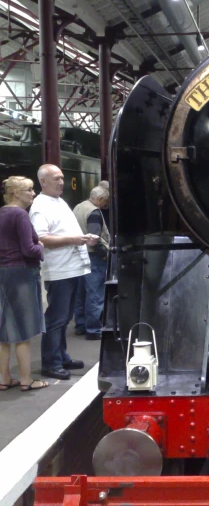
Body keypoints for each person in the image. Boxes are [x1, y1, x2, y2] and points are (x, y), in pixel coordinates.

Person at [29, 164, 95, 380]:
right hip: (59, 270)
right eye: (56, 178)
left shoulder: (58, 201)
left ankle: (61, 356)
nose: (61, 182)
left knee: (65, 318)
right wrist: (76, 239)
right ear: (43, 182)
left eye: (62, 177)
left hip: (72, 267)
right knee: (57, 319)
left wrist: (82, 238)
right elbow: (41, 238)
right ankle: (51, 363)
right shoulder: (40, 206)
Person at [0, 177, 49, 391]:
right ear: (16, 193)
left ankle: (3, 378)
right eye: (29, 190)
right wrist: (41, 246)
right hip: (20, 274)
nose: (33, 193)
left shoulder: (1, 212)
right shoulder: (19, 214)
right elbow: (29, 249)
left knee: (3, 331)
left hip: (3, 273)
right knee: (24, 330)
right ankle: (26, 379)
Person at [73, 186, 110, 340]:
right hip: (93, 257)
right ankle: (94, 329)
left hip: (78, 254)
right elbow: (94, 238)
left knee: (80, 293)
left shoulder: (78, 207)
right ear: (100, 199)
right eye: (105, 201)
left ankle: (80, 325)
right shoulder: (94, 212)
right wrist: (104, 255)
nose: (105, 205)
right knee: (95, 294)